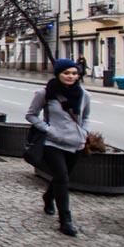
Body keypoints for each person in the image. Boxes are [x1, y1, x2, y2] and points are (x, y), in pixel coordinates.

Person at [25, 58, 91, 237]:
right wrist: (48, 130)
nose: (71, 76)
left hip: (75, 143)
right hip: (52, 143)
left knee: (63, 176)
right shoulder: (45, 93)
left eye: (74, 73)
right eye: (67, 73)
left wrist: (84, 132)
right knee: (62, 177)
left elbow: (86, 117)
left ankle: (48, 197)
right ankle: (66, 220)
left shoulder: (84, 95)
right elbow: (31, 115)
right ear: (58, 74)